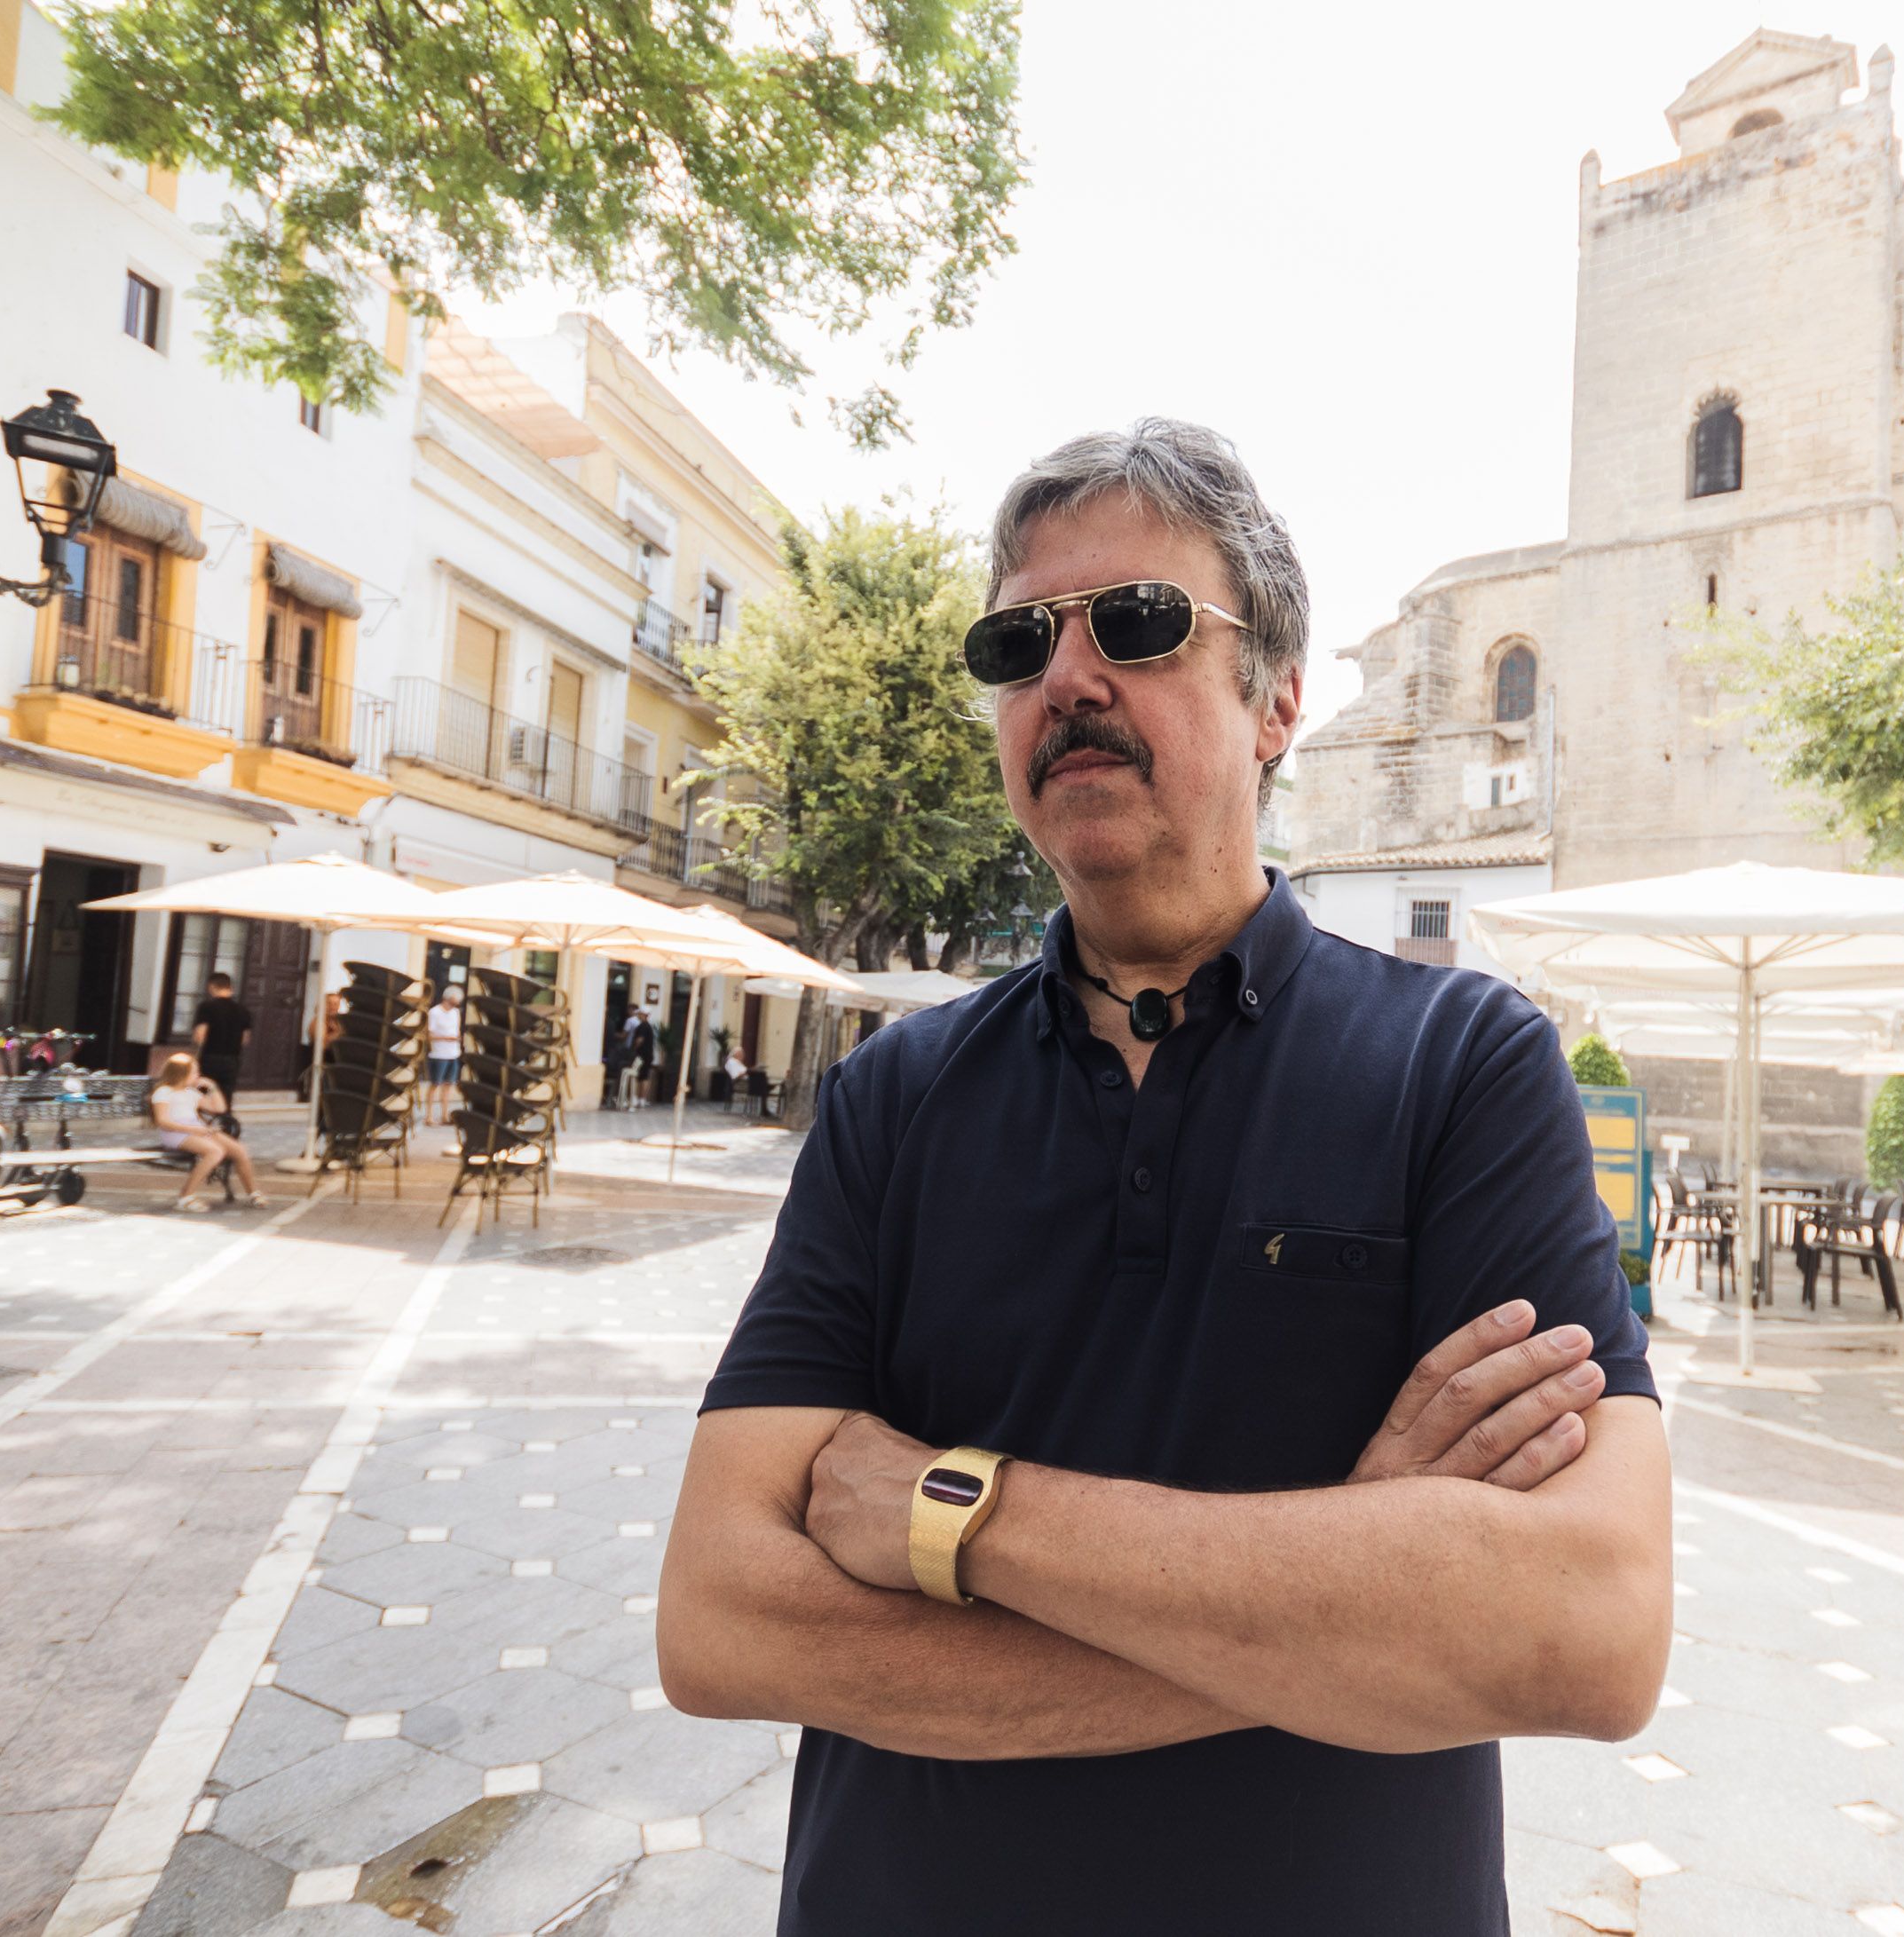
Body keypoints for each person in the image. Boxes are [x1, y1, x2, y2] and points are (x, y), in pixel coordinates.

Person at [660, 420, 1668, 1937]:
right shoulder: (889, 1100)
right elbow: (719, 1619)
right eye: (1018, 643)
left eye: (1134, 625)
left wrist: (957, 1512)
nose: (1064, 678)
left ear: (1275, 701)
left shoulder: (1464, 1066)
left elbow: (1584, 1631)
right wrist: (1345, 1590)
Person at [151, 1051, 265, 1212]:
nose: (198, 1075)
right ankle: (186, 1196)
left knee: (240, 1150)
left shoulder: (191, 1093)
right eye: (194, 1072)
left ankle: (253, 1192)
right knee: (215, 1151)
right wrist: (193, 1129)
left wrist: (212, 1087)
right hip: (176, 1133)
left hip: (196, 1129)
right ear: (181, 1074)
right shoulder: (164, 1092)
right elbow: (162, 1121)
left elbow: (218, 1108)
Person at [189, 972, 255, 1104]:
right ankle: (225, 1123)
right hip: (232, 1059)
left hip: (210, 1057)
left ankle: (202, 1122)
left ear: (212, 986)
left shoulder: (207, 1007)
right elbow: (245, 1039)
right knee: (225, 1097)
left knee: (202, 1095)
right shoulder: (243, 1010)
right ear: (231, 987)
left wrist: (195, 1053)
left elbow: (200, 1035)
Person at [423, 984, 465, 1126]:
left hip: (453, 1053)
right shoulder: (434, 1012)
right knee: (435, 1084)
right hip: (439, 1054)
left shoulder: (455, 1013)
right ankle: (428, 1116)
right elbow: (429, 1035)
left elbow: (457, 1030)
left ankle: (445, 1115)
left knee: (448, 1085)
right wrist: (446, 1038)